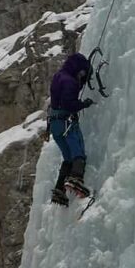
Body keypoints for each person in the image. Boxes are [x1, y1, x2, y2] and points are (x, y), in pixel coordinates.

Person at [47, 53, 95, 206]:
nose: (82, 77)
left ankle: (59, 189)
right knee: (78, 152)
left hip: (55, 125)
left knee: (68, 157)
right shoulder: (70, 82)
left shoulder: (59, 76)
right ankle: (76, 179)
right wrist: (83, 104)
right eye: (83, 74)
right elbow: (69, 104)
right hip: (67, 123)